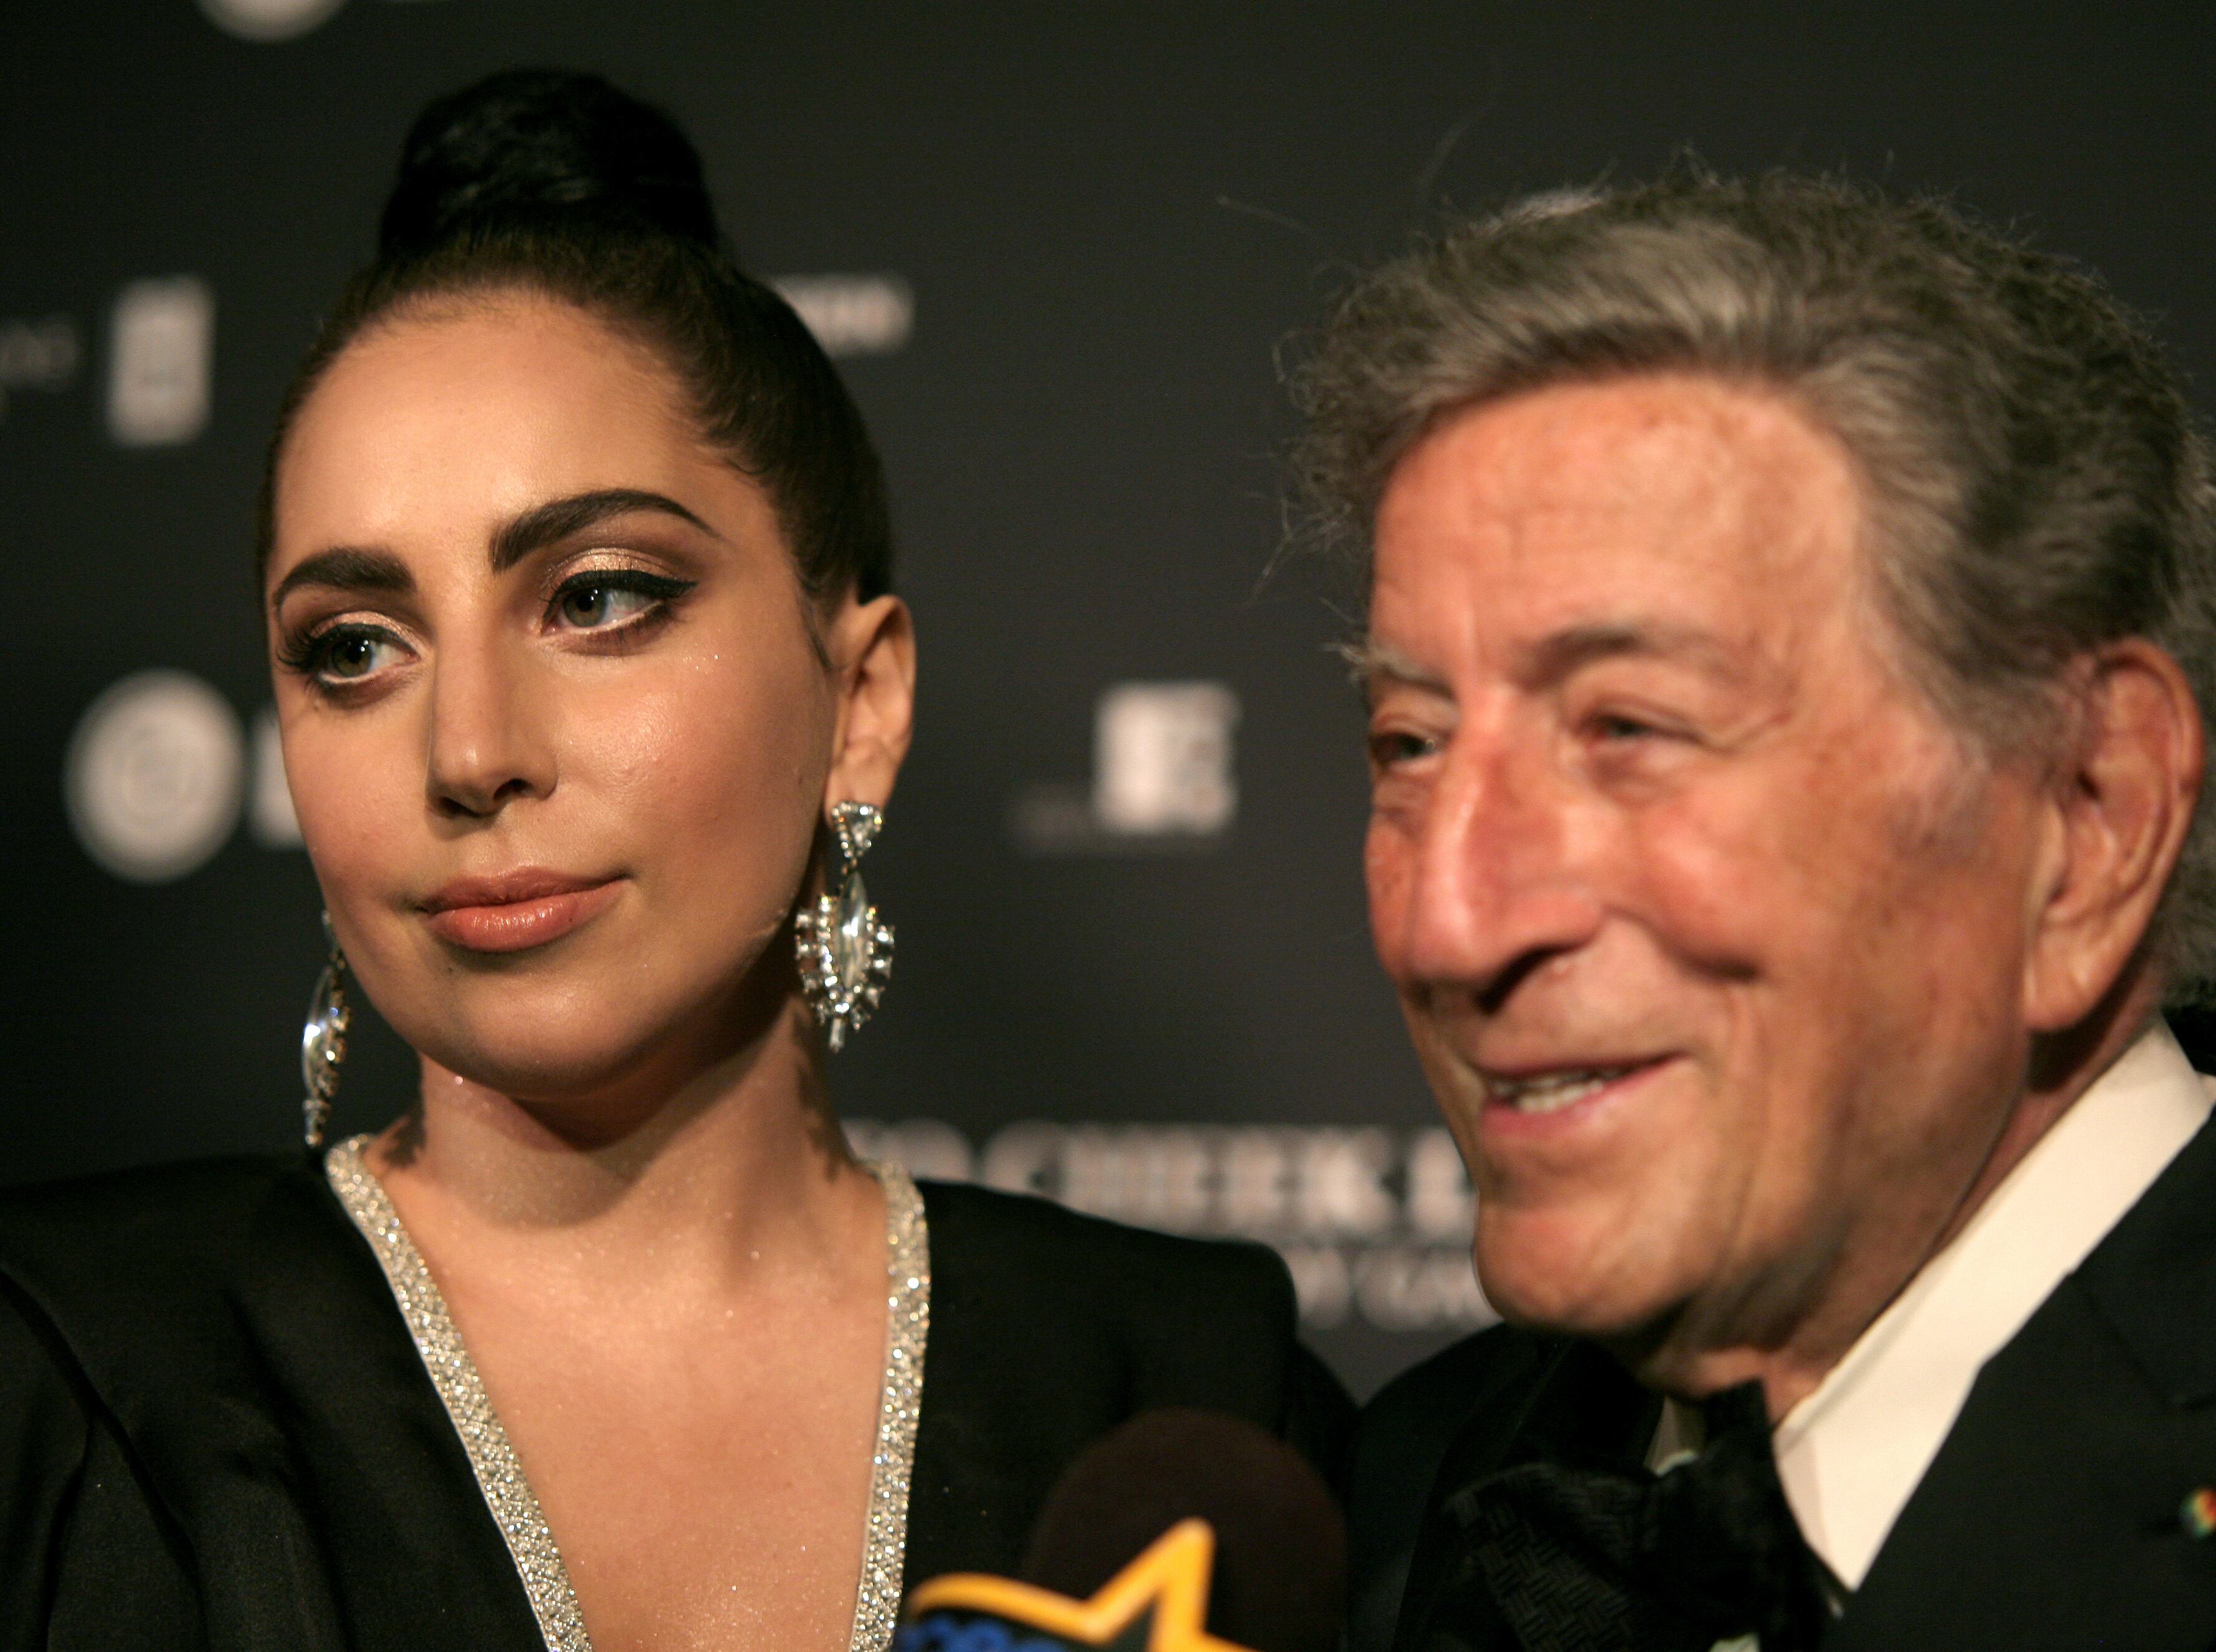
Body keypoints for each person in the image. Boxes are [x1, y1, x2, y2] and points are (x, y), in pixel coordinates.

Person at [0, 70, 1346, 1652]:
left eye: (599, 597)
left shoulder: (1182, 1386)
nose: (468, 750)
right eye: (355, 646)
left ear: (861, 700)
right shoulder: (71, 1379)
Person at [1299, 172, 2216, 1651]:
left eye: (1629, 728)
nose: (1447, 925)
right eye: (1410, 745)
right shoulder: (1420, 1478)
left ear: (2088, 815)